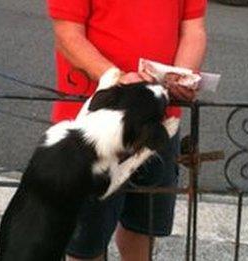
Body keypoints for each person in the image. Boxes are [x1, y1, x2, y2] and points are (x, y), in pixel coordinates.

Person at [46, 0, 207, 260]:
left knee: (144, 225)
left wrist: (180, 74)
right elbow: (67, 34)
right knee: (85, 241)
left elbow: (193, 29)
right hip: (94, 124)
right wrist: (116, 78)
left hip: (159, 121)